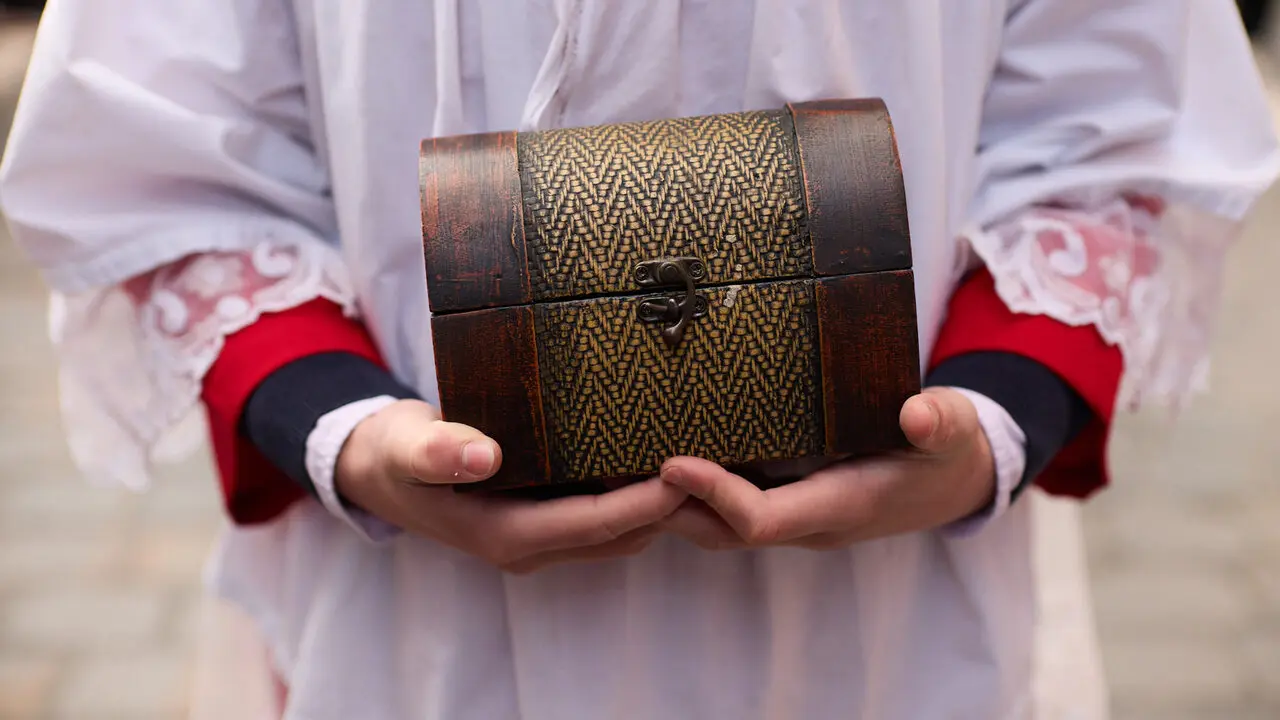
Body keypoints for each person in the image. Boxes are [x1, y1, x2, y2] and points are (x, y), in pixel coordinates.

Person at [2, 2, 1276, 718]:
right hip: (414, 624)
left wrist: (987, 422)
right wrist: (349, 435)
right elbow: (166, 146)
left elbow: (1110, 122)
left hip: (880, 623)